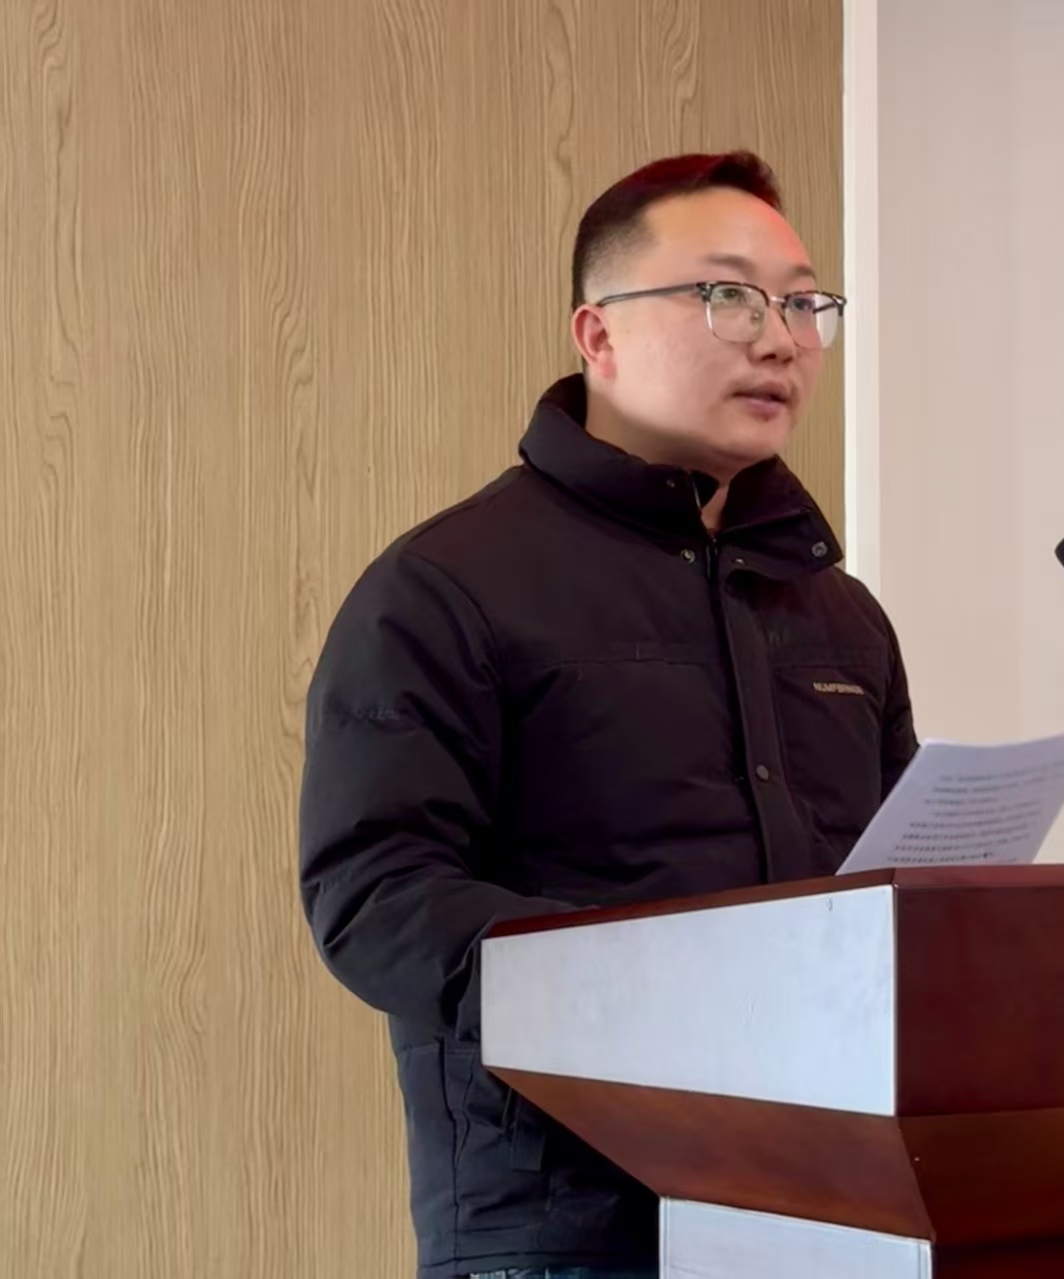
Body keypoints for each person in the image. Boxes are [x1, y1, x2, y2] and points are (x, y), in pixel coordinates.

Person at [298, 151, 918, 1279]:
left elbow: (883, 891)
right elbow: (375, 896)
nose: (779, 340)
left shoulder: (841, 615)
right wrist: (649, 993)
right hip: (567, 1226)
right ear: (598, 334)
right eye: (728, 296)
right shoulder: (450, 585)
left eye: (801, 304)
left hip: (829, 1207)